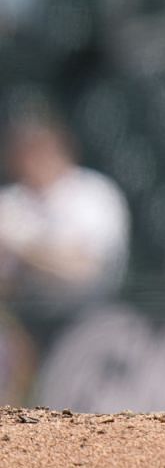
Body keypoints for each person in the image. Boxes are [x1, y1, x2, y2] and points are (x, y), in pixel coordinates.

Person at [0, 109, 129, 346]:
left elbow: (84, 270)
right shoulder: (10, 201)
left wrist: (21, 247)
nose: (31, 158)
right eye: (24, 149)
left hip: (86, 318)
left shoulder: (93, 194)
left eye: (39, 148)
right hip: (21, 319)